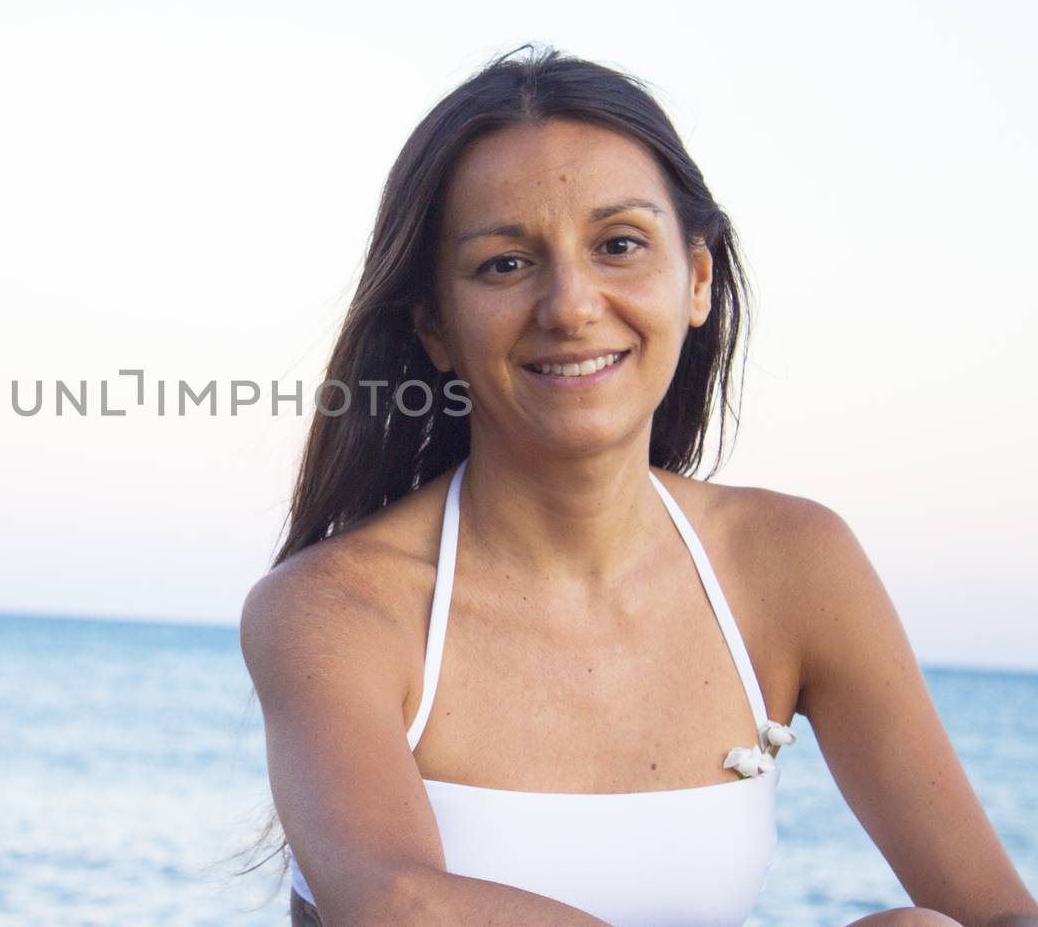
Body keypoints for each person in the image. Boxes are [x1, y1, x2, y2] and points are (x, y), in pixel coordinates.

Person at [238, 47, 1038, 926]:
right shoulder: (331, 608)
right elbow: (396, 906)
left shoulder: (793, 565)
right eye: (505, 264)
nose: (572, 305)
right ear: (434, 324)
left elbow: (997, 912)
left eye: (619, 245)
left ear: (695, 279)